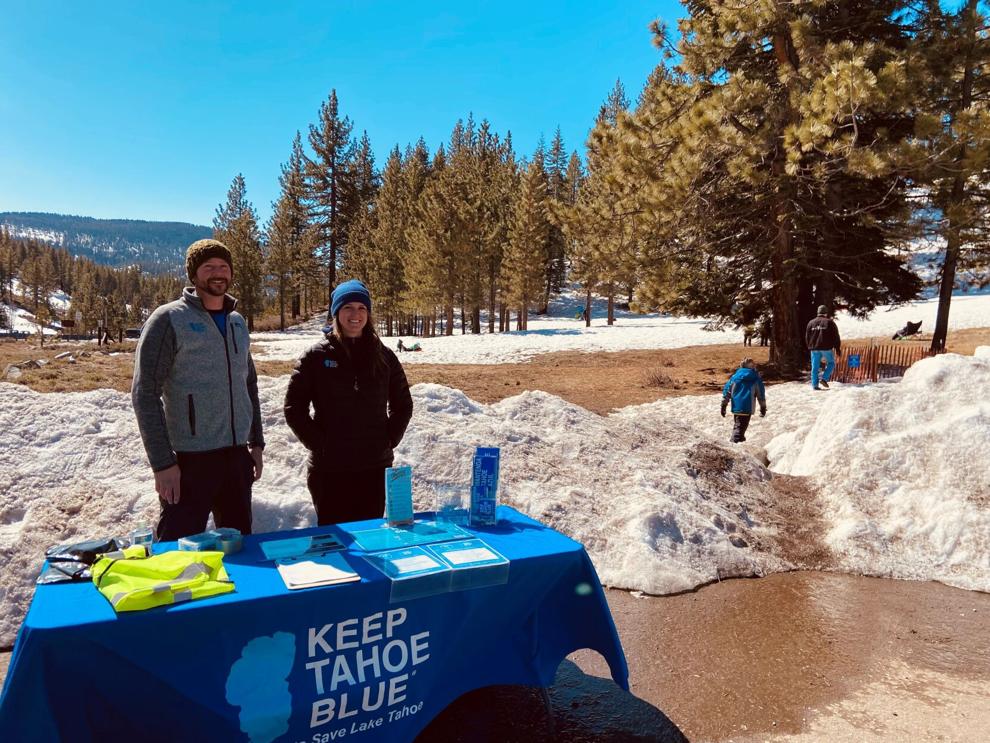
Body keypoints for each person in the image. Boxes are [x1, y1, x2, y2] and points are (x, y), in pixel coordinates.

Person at [132, 239, 265, 541]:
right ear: (194, 275)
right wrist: (163, 463)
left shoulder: (237, 322)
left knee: (239, 549)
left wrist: (256, 442)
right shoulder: (169, 319)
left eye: (223, 267)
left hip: (236, 459)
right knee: (176, 553)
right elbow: (144, 393)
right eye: (209, 267)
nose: (217, 273)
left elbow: (249, 384)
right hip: (189, 463)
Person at [284, 279, 414, 525]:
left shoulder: (384, 356)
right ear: (336, 313)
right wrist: (319, 444)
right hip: (330, 470)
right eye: (348, 308)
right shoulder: (316, 357)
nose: (355, 315)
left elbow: (403, 404)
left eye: (361, 308)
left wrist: (388, 439)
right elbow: (294, 409)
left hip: (373, 468)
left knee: (369, 539)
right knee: (336, 543)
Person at [721, 358, 766, 443]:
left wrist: (723, 405)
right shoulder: (755, 378)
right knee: (739, 430)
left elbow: (727, 391)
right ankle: (733, 447)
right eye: (753, 365)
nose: (755, 367)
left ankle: (740, 444)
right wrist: (763, 407)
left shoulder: (734, 377)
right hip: (747, 407)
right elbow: (761, 394)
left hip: (736, 407)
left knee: (739, 427)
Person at [805, 304, 841, 390]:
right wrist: (837, 348)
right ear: (826, 313)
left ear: (818, 312)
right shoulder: (829, 322)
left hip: (814, 348)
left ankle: (814, 385)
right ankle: (824, 379)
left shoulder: (811, 322)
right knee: (831, 363)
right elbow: (836, 336)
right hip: (826, 348)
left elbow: (807, 337)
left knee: (815, 367)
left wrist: (809, 346)